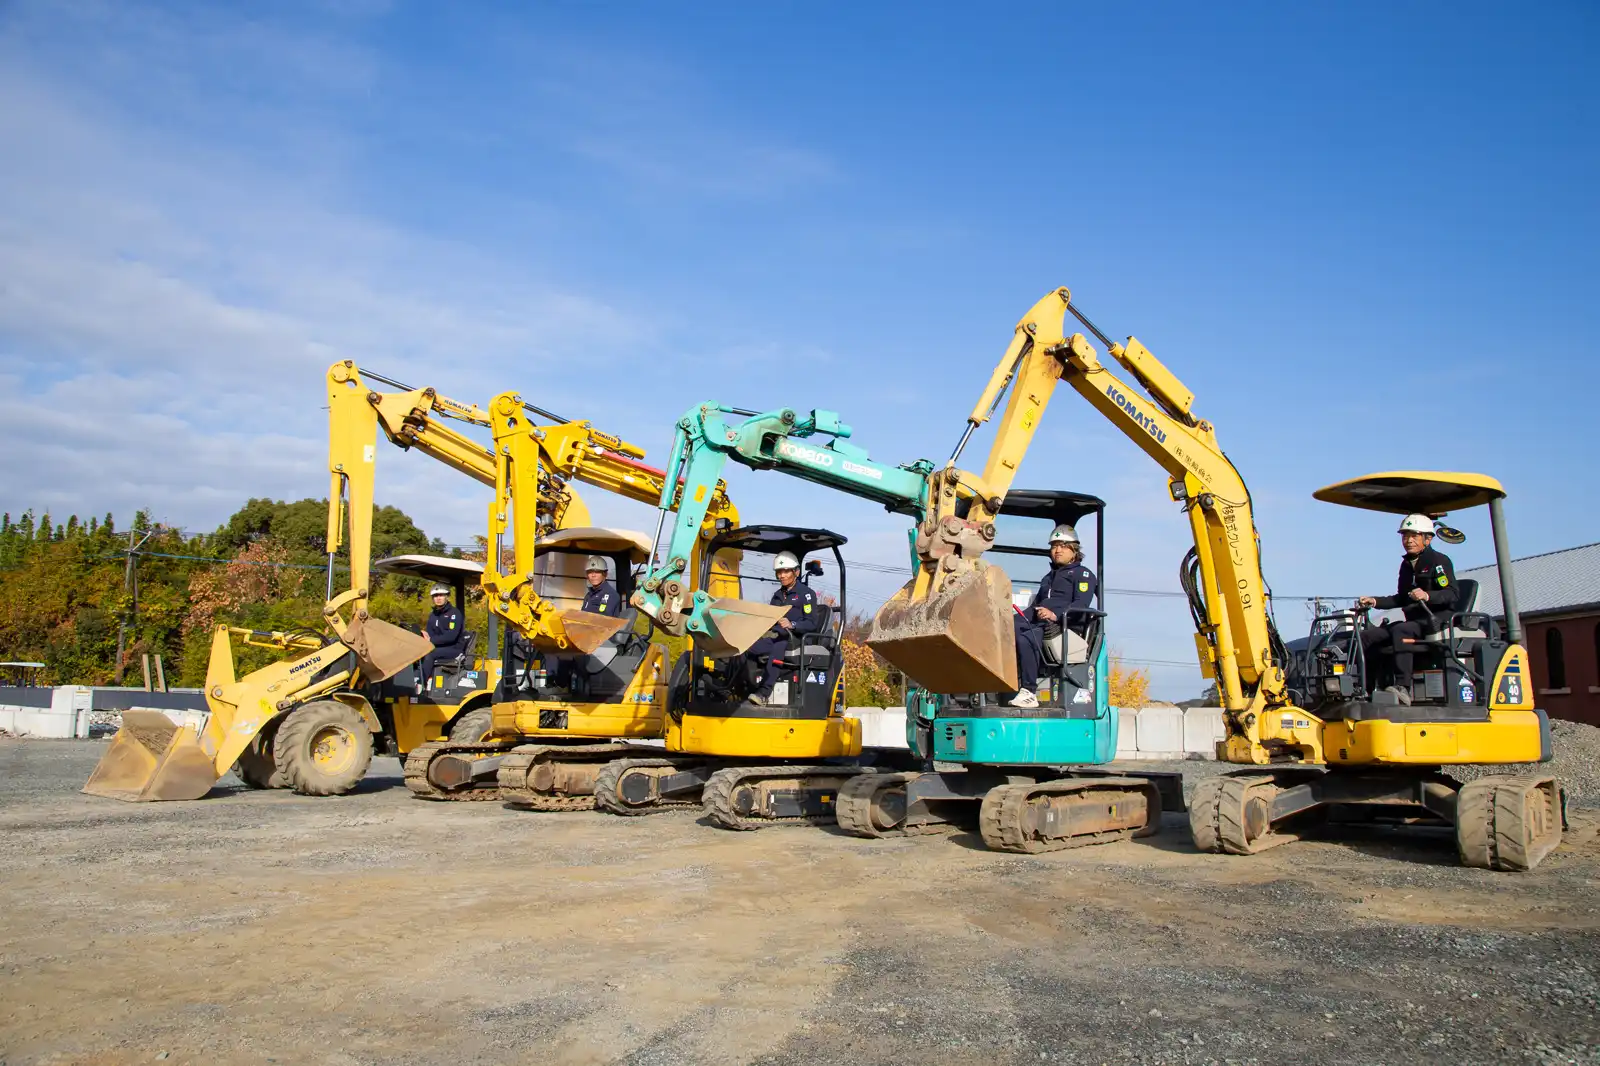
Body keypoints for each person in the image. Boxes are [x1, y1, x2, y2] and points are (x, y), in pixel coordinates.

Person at [1356, 514, 1459, 704]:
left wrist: (1428, 596)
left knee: (1401, 630)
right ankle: (1366, 688)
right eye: (1405, 536)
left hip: (1436, 620)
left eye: (1414, 536)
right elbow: (1402, 598)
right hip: (1415, 621)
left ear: (1427, 539)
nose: (1408, 541)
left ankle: (1403, 687)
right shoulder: (1406, 565)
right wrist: (1375, 601)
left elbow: (1453, 594)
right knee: (1367, 636)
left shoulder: (1439, 561)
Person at [1007, 524, 1098, 709]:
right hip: (1041, 622)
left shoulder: (1083, 574)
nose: (1057, 550)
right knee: (1007, 627)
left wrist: (1055, 615)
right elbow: (1034, 607)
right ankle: (1001, 680)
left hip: (1064, 626)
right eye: (1054, 546)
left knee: (1027, 638)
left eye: (1063, 546)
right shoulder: (1048, 578)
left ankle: (1029, 692)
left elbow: (1081, 605)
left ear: (1074, 551)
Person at [745, 551, 821, 706]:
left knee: (779, 645)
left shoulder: (806, 594)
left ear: (796, 572)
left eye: (786, 571)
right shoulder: (777, 595)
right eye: (779, 572)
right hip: (777, 636)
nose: (782, 575)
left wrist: (793, 625)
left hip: (797, 638)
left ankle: (764, 693)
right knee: (745, 645)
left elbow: (812, 623)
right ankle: (738, 686)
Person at [418, 584, 467, 691]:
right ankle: (414, 678)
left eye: (441, 595)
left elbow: (451, 636)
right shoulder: (433, 615)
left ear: (447, 596)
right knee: (417, 652)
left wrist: (431, 640)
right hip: (438, 647)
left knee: (430, 654)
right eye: (435, 596)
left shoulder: (454, 614)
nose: (438, 598)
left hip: (454, 649)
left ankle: (421, 684)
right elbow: (430, 634)